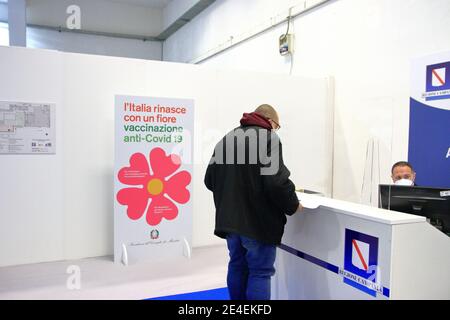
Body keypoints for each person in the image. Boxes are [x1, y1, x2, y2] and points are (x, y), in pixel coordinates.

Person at [204, 104, 303, 300]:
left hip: (229, 222)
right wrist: (293, 204)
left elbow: (209, 180)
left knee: (237, 266)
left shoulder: (227, 139)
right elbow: (275, 181)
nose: (276, 130)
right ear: (271, 122)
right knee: (260, 272)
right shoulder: (268, 138)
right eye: (277, 126)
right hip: (258, 223)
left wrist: (231, 193)